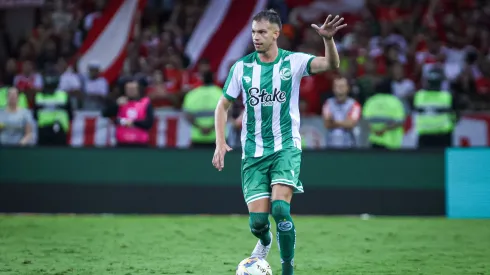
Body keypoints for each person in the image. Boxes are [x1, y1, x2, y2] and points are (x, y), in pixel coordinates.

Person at [212, 10, 346, 275]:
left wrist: (328, 41)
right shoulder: (241, 67)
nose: (256, 37)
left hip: (286, 147)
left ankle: (287, 270)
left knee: (281, 209)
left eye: (262, 32)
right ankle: (264, 239)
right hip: (253, 153)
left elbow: (331, 65)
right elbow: (222, 107)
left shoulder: (293, 62)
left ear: (276, 34)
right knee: (258, 222)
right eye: (253, 32)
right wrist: (219, 142)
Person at [102, 80, 154, 148]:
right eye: (129, 89)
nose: (131, 91)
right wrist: (116, 105)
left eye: (133, 89)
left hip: (140, 144)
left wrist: (131, 122)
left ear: (138, 89)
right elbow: (104, 114)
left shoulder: (145, 103)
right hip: (122, 144)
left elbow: (149, 123)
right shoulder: (120, 103)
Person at [414, 67, 456, 148]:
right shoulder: (447, 96)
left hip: (442, 135)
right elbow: (456, 116)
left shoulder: (419, 95)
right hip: (428, 135)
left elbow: (456, 114)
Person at [182, 71, 222, 148]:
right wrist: (211, 128)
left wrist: (200, 128)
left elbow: (188, 115)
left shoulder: (192, 94)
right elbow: (227, 114)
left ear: (201, 79)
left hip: (197, 137)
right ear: (213, 79)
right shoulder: (221, 94)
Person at [33, 73, 72, 146]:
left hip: (60, 129)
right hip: (43, 129)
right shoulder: (39, 96)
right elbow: (35, 115)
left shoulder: (64, 96)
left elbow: (70, 114)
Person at [322, 76, 361, 148]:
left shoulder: (354, 105)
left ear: (347, 88)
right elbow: (327, 124)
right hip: (330, 146)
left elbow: (350, 124)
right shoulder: (328, 103)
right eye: (337, 86)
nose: (339, 89)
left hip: (349, 146)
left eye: (342, 86)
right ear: (333, 89)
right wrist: (344, 122)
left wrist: (334, 122)